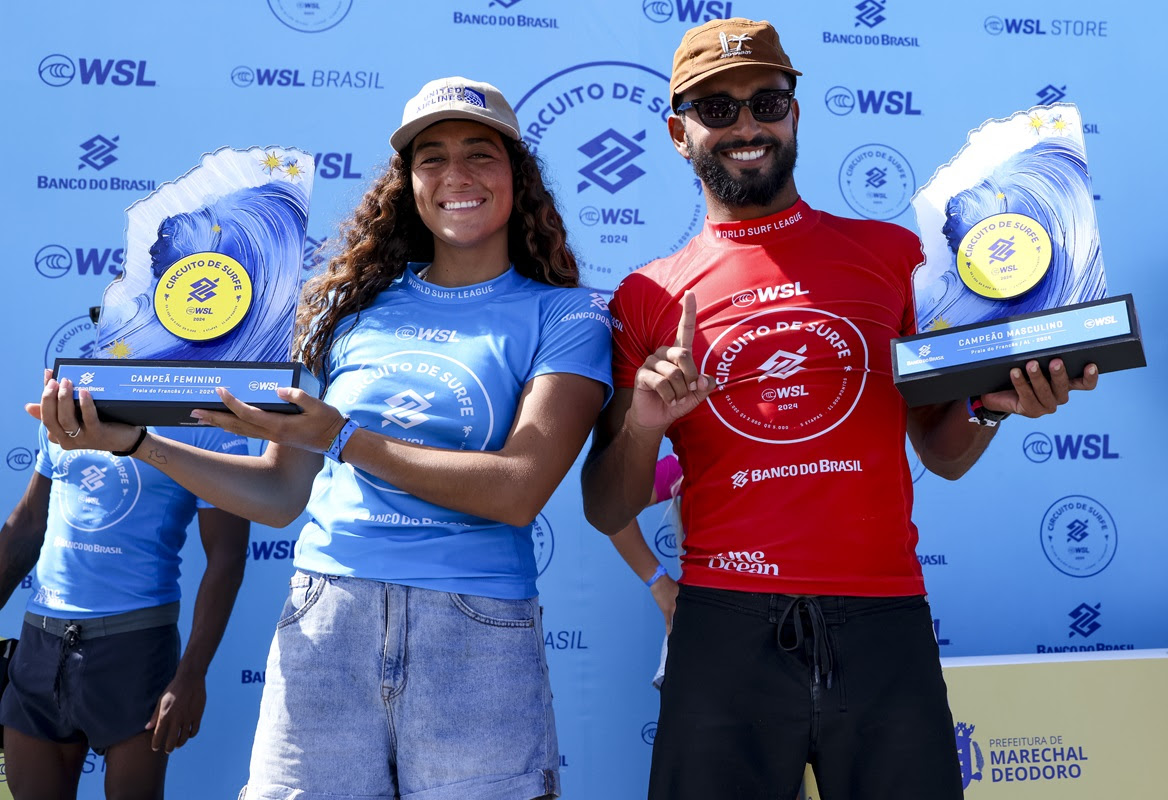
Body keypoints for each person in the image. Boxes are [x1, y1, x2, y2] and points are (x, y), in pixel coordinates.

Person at [33, 76, 612, 800]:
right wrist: (136, 443)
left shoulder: (570, 315)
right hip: (325, 615)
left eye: (480, 154)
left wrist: (344, 437)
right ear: (406, 182)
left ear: (518, 177)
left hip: (475, 630)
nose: (455, 176)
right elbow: (278, 496)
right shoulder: (350, 309)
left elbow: (520, 489)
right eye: (430, 158)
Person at [580, 18, 1100, 800]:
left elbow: (943, 450)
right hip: (725, 625)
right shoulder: (649, 295)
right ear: (677, 132)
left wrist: (996, 407)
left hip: (883, 617)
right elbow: (606, 503)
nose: (747, 126)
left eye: (767, 101)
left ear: (796, 112)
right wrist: (647, 423)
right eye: (717, 110)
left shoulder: (896, 258)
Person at [0, 411, 249, 800]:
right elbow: (30, 521)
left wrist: (192, 674)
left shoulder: (201, 424)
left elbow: (227, 555)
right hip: (40, 643)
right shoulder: (68, 408)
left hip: (135, 648)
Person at [606, 454, 681, 688]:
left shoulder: (795, 451)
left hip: (788, 625)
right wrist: (657, 580)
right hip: (706, 622)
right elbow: (611, 504)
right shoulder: (693, 456)